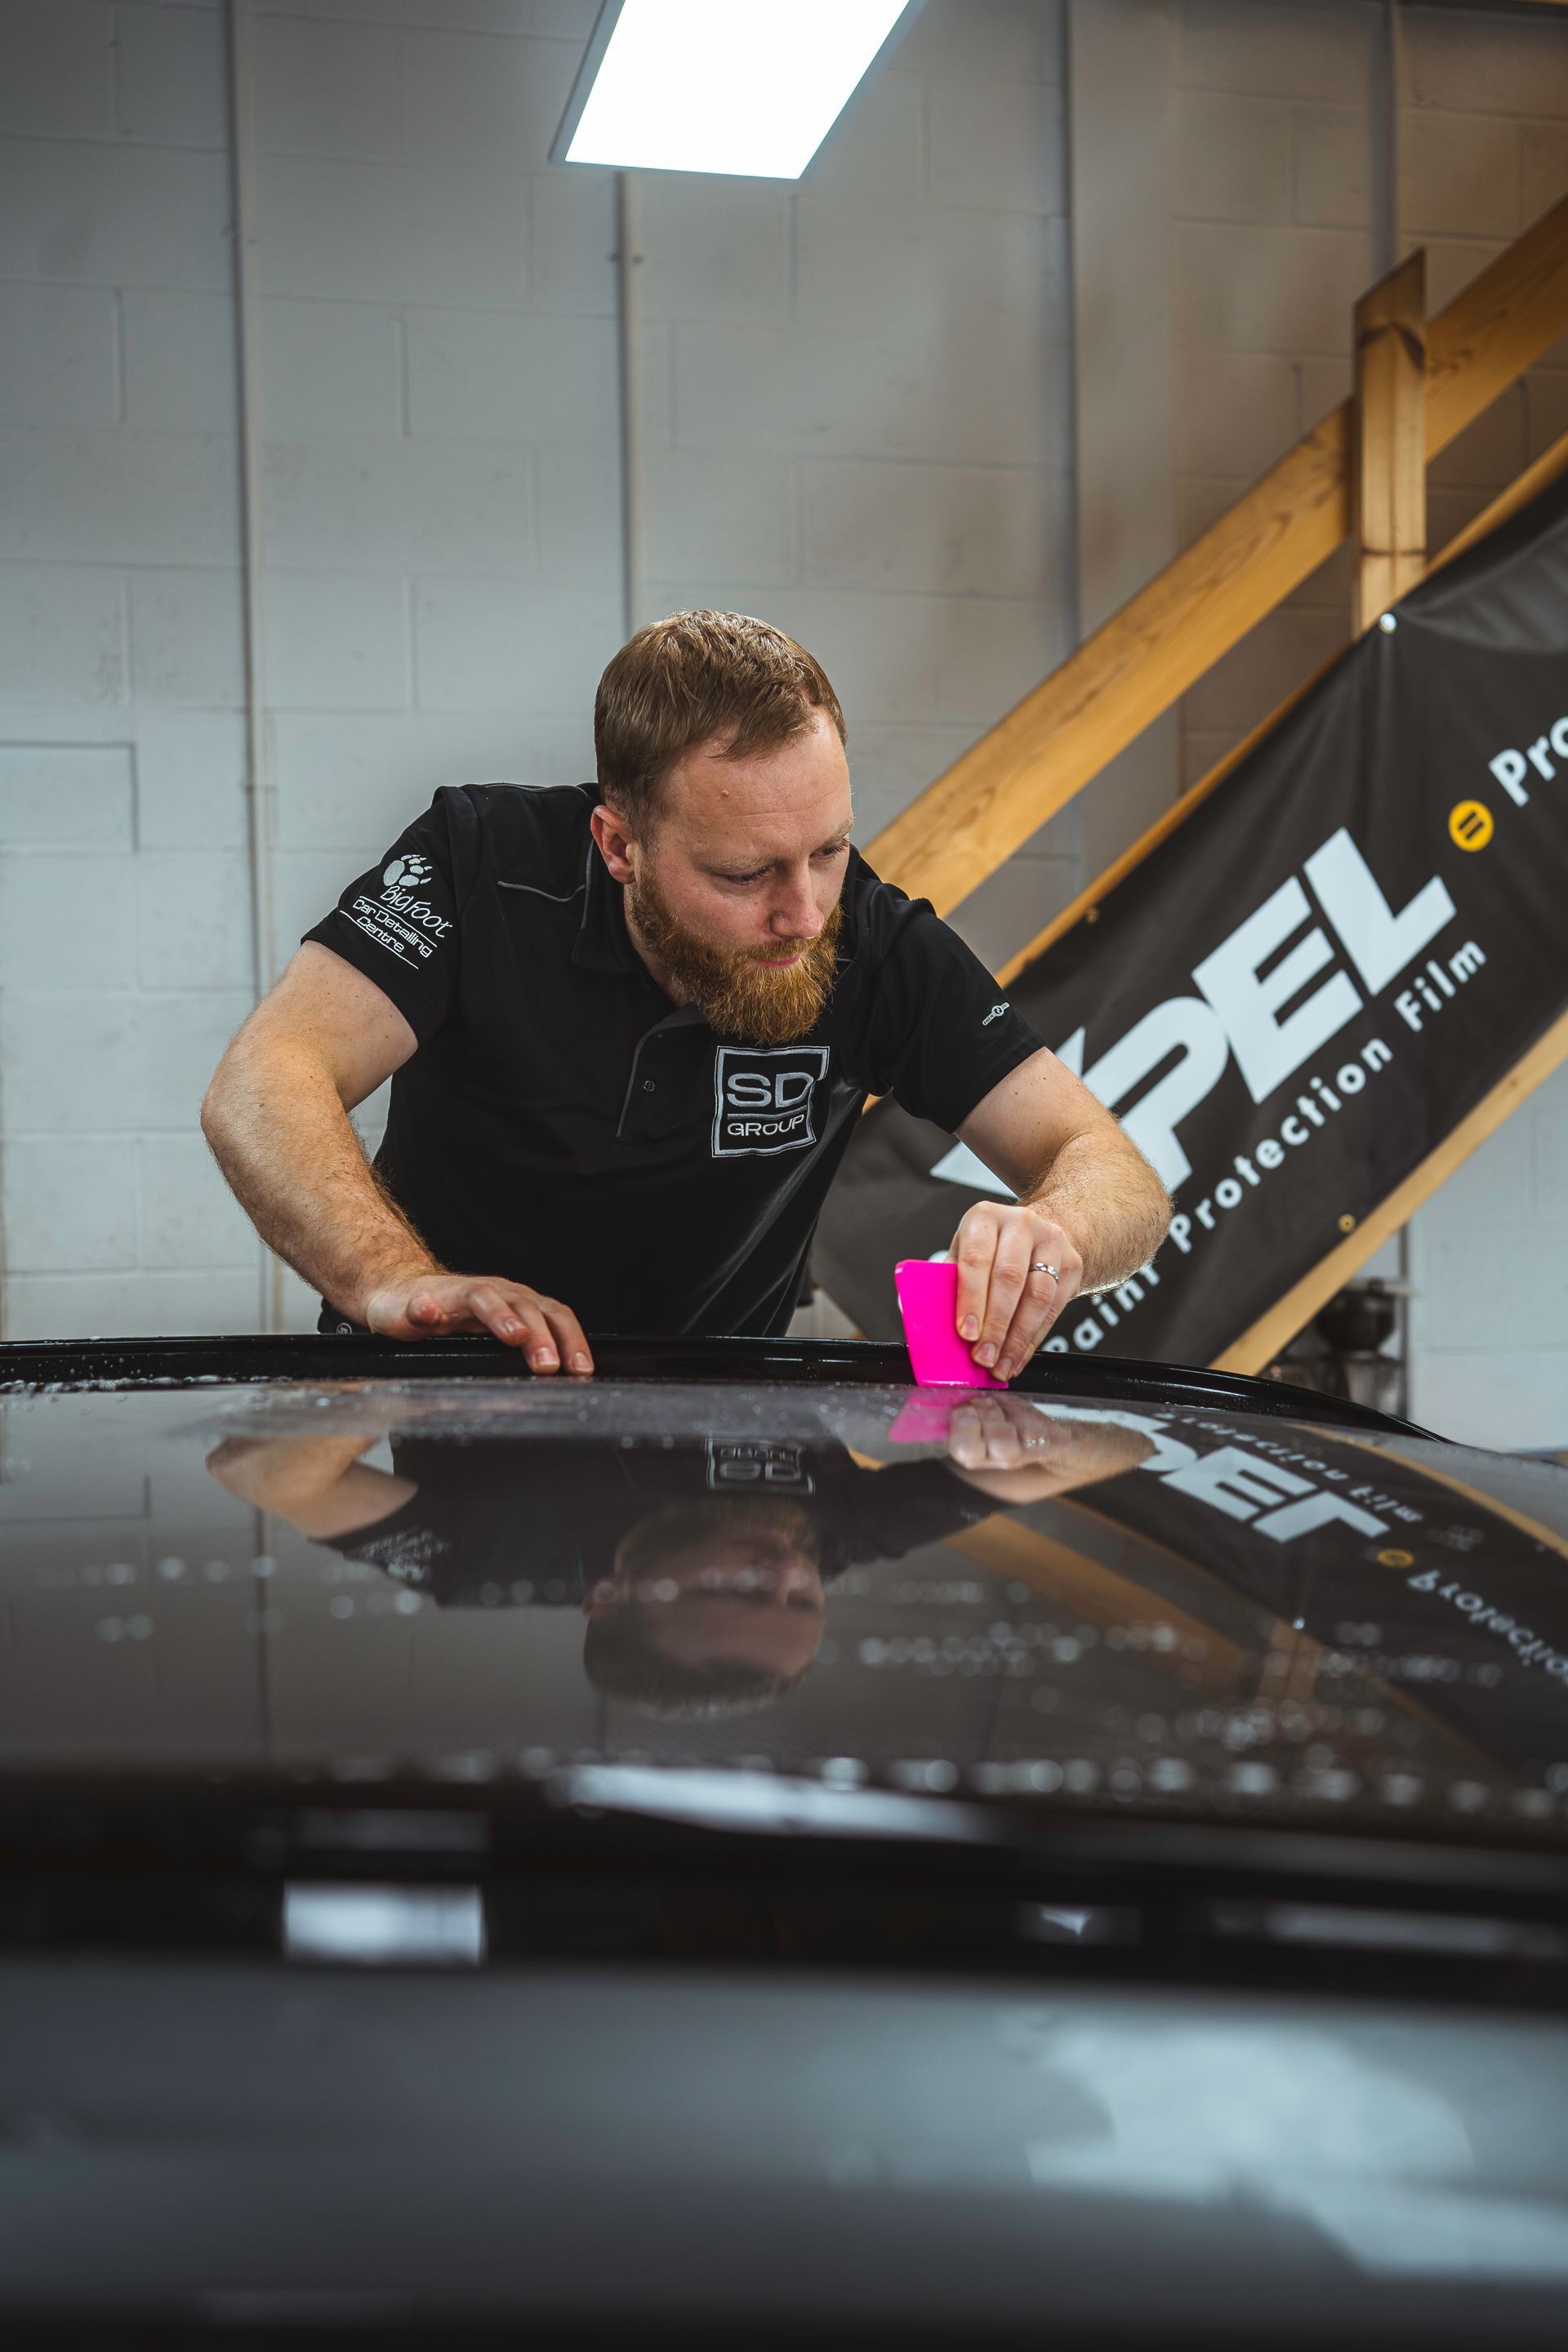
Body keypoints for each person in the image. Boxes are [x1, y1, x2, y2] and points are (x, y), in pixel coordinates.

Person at [202, 612, 1169, 1380]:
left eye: (828, 850)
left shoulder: (869, 936)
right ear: (619, 847)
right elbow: (265, 1079)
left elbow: (1112, 1169)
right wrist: (399, 1283)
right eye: (744, 874)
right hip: (432, 1406)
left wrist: (1059, 1233)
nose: (803, 912)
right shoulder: (478, 865)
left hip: (715, 1444)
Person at [207, 1394, 1152, 1720]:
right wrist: (1028, 1440)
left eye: (739, 1588)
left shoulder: (486, 1562)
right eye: (800, 1605)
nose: (786, 1577)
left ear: (609, 1593)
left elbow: (260, 1473)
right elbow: (1127, 1452)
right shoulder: (829, 1541)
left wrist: (418, 1368)